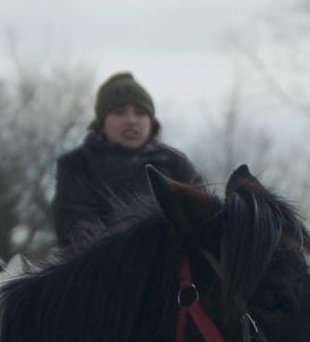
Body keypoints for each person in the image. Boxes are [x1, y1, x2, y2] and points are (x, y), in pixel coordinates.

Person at [52, 71, 205, 249]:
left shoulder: (175, 164)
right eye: (119, 112)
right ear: (102, 122)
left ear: (150, 120)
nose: (131, 120)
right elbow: (76, 230)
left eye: (140, 113)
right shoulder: (77, 165)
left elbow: (203, 216)